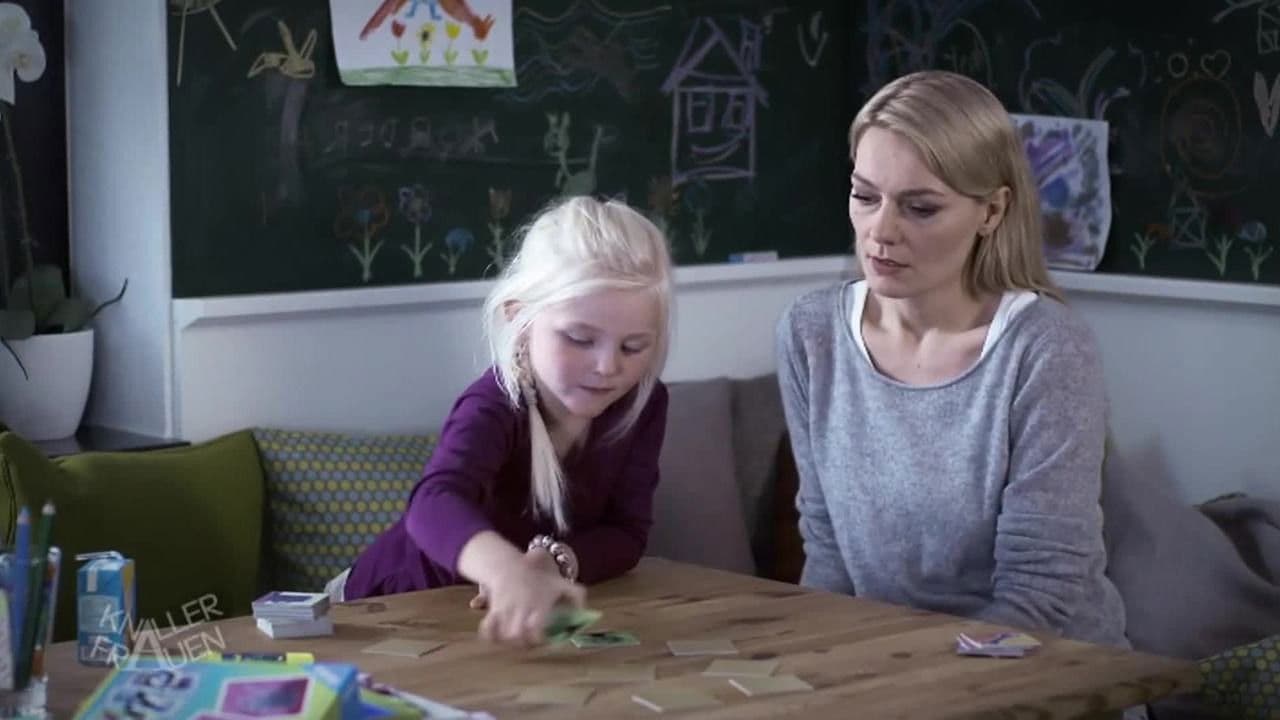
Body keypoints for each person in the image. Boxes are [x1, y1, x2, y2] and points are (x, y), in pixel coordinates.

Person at [776, 70, 1131, 651]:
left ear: (991, 211)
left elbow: (1040, 590)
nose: (880, 231)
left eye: (920, 208)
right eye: (864, 196)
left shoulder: (1046, 348)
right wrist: (820, 664)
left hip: (1045, 666)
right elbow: (827, 549)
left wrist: (912, 676)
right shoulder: (811, 332)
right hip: (889, 668)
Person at [342, 195, 673, 648]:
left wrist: (551, 562)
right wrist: (506, 572)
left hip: (490, 626)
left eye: (633, 347)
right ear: (520, 319)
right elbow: (433, 502)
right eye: (580, 339)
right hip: (387, 604)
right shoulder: (494, 402)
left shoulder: (643, 403)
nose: (608, 367)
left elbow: (627, 534)